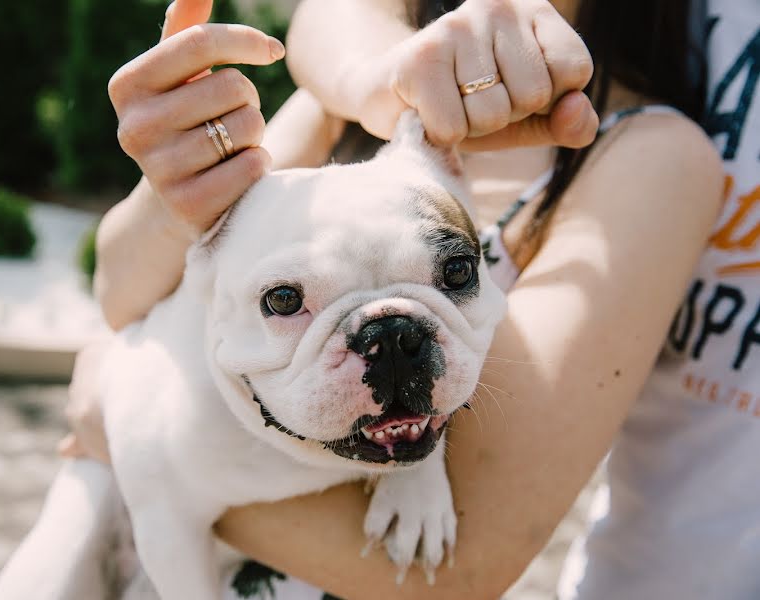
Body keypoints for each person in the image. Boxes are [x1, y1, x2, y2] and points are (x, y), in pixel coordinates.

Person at [60, 1, 747, 599]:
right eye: (290, 298)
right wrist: (181, 185)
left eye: (450, 276)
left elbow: (460, 569)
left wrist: (140, 446)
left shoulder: (646, 156)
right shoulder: (346, 91)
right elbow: (123, 295)